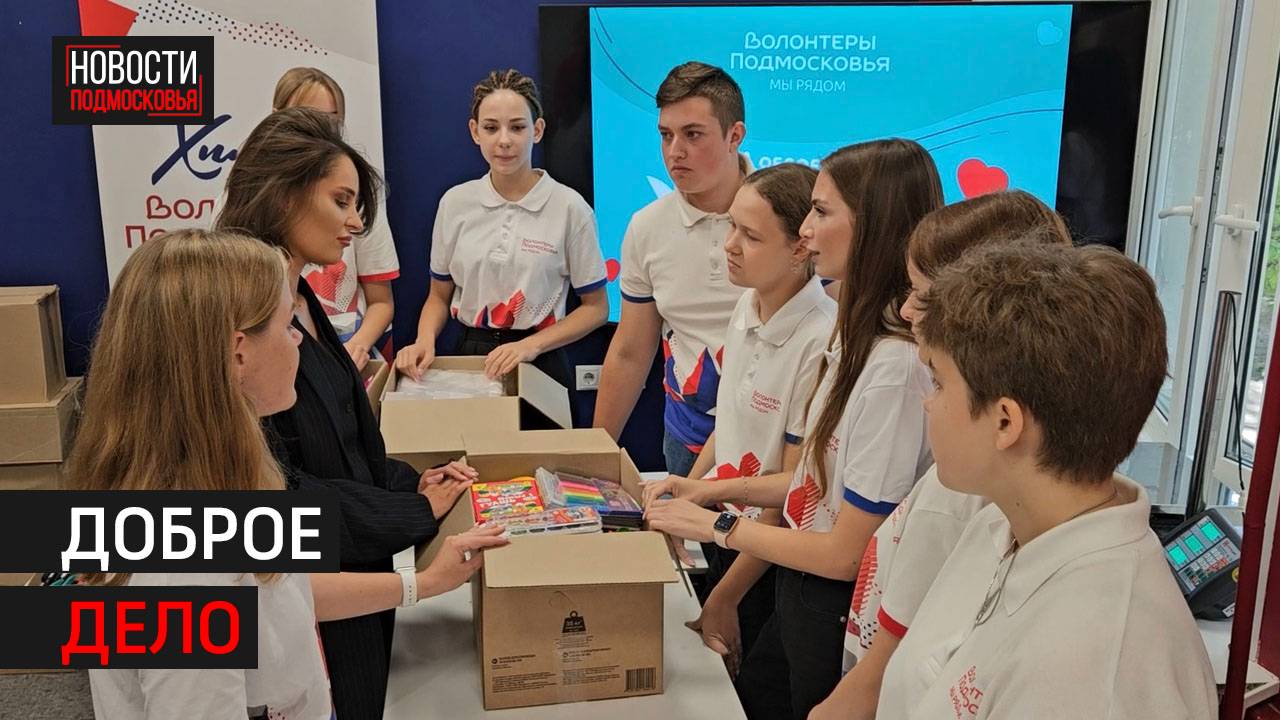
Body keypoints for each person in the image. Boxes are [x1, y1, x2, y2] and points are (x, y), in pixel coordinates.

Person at [72, 230, 507, 719]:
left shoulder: (217, 478)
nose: (299, 340)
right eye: (286, 326)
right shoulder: (181, 564)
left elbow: (284, 591)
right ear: (238, 353)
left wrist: (423, 583)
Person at [645, 139, 943, 719]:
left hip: (831, 596)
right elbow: (812, 481)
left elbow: (845, 552)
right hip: (800, 583)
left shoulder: (893, 366)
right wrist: (706, 490)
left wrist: (716, 523)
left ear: (873, 226)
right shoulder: (854, 337)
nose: (807, 230)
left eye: (822, 212)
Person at [876, 242, 1217, 719]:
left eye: (938, 382)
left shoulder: (1093, 674)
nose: (927, 402)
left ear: (1005, 422)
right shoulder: (1002, 525)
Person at [216, 107, 473, 719]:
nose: (356, 222)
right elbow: (276, 491)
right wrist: (412, 513)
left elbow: (347, 444)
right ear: (284, 194)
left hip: (352, 578)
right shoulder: (239, 314)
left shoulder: (303, 295)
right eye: (340, 202)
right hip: (310, 596)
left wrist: (412, 484)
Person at [809, 190, 1071, 720]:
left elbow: (888, 669)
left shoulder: (966, 495)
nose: (906, 310)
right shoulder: (984, 494)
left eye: (922, 293)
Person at [644, 163, 833, 670]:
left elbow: (791, 492)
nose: (729, 245)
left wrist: (726, 595)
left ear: (800, 247)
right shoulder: (747, 304)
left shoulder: (820, 340)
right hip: (723, 529)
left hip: (767, 558)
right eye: (732, 226)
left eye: (750, 235)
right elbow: (727, 422)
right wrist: (689, 489)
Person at [395, 69, 608, 387]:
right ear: (475, 132)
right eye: (491, 128)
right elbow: (438, 296)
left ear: (537, 130)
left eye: (517, 127)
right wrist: (424, 340)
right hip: (471, 358)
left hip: (541, 358)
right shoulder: (455, 203)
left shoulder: (569, 208)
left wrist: (531, 346)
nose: (504, 140)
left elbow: (596, 308)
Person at [593, 61, 750, 478]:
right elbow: (631, 350)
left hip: (776, 441)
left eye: (692, 134)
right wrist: (596, 456)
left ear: (735, 135)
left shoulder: (791, 213)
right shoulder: (646, 227)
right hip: (688, 439)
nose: (674, 151)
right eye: (666, 135)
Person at [273, 66, 400, 370]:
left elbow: (382, 301)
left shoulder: (360, 190)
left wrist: (355, 347)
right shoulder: (247, 193)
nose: (353, 222)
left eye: (331, 121)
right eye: (306, 116)